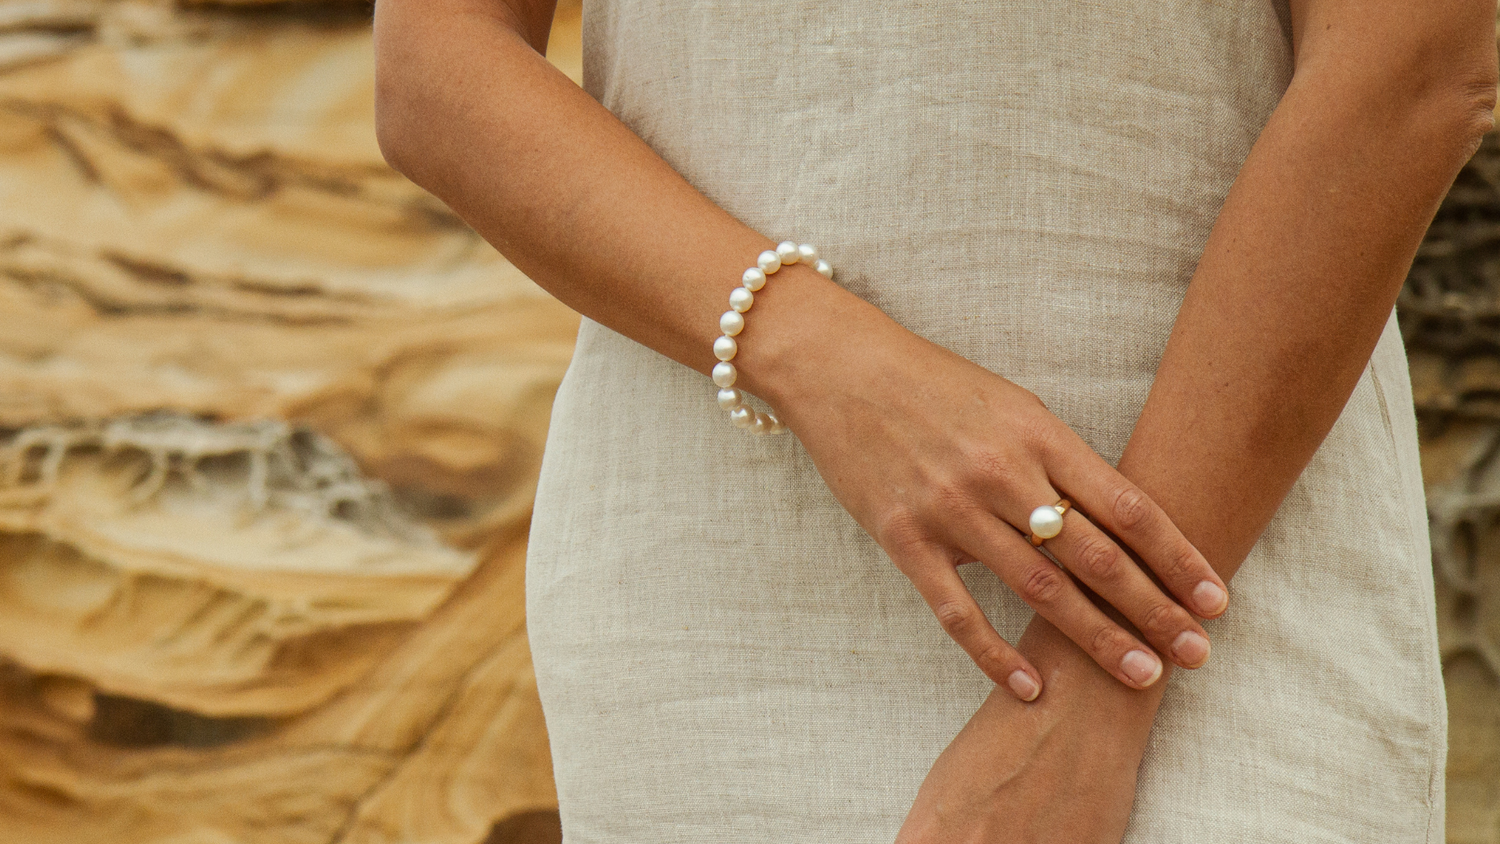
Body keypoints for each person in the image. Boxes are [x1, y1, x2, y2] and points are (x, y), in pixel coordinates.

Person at [372, 0, 1496, 840]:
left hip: (1226, 590)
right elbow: (437, 70)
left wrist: (1096, 685)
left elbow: (1409, 71)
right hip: (717, 602)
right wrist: (823, 359)